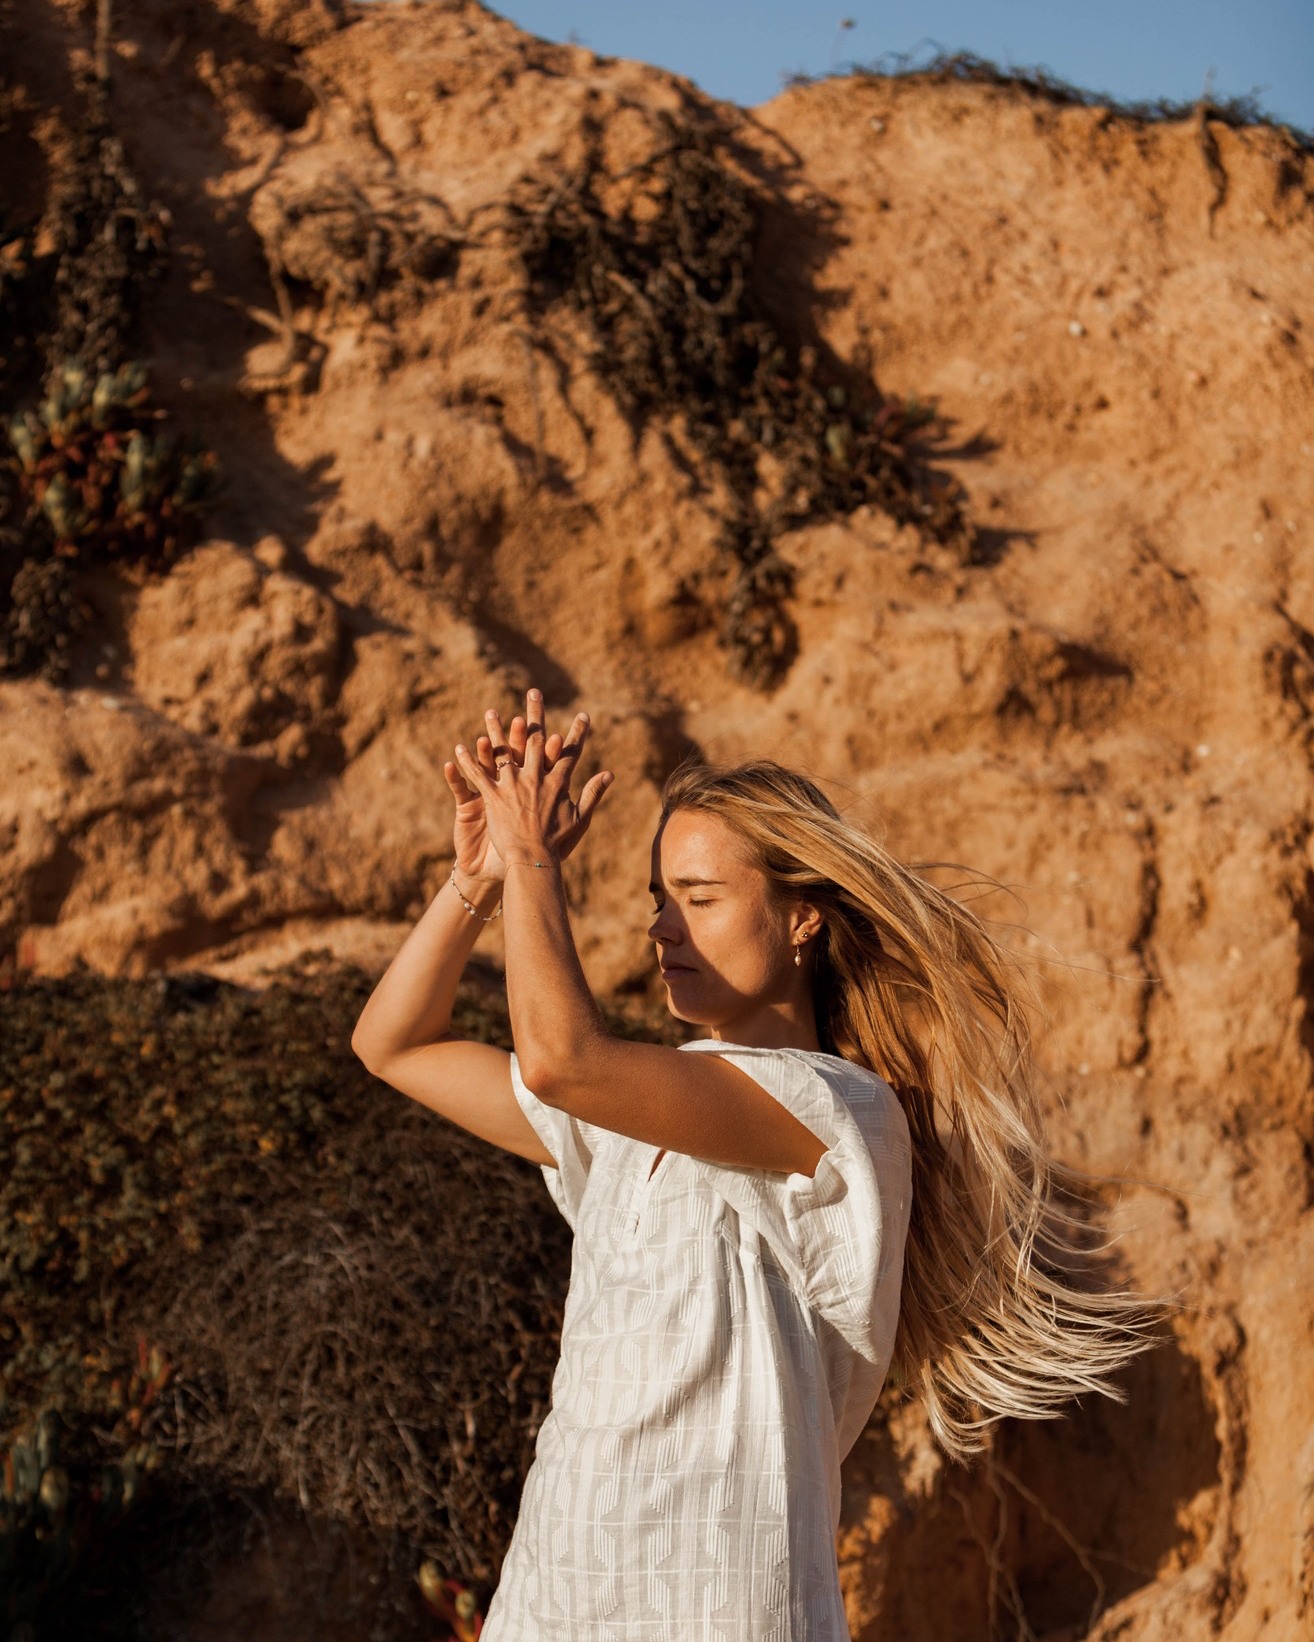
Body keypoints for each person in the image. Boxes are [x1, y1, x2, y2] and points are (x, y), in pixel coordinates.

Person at [351, 688, 1153, 1640]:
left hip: (722, 1609)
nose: (662, 930)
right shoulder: (632, 1118)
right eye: (659, 901)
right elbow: (392, 1043)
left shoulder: (834, 1107)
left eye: (697, 899)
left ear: (803, 919)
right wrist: (480, 876)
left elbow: (565, 1062)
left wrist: (534, 860)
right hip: (557, 1601)